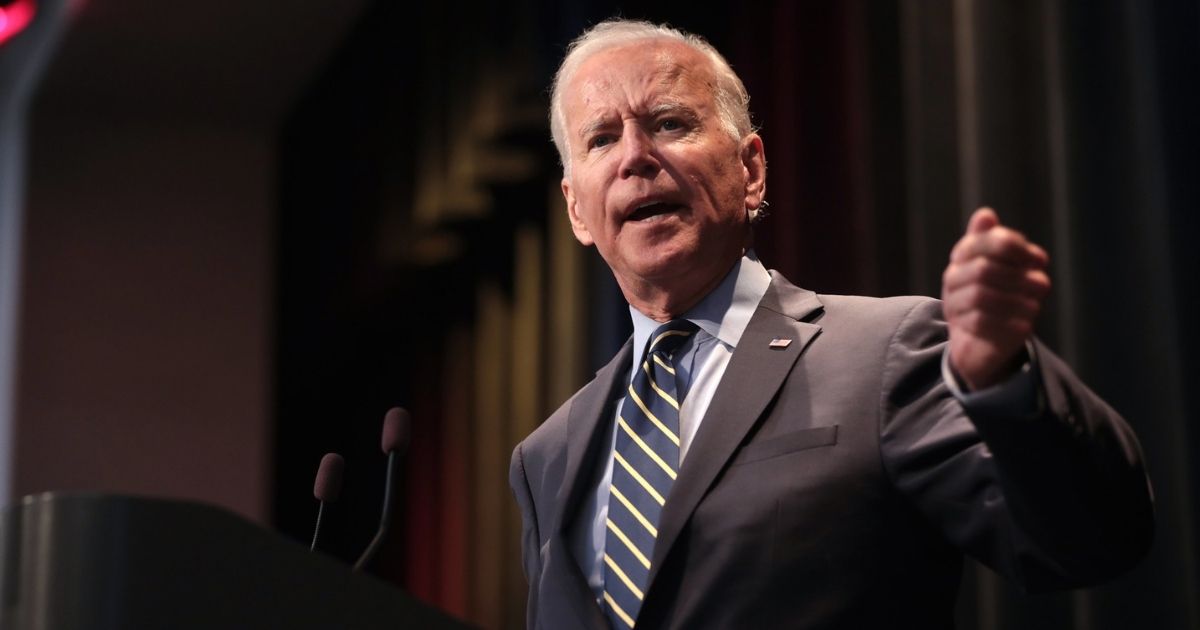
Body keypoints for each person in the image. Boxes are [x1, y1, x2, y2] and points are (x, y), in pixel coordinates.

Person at [509, 19, 1153, 630]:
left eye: (670, 123)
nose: (635, 157)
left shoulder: (884, 352)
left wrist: (1002, 386)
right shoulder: (547, 455)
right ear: (577, 211)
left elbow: (1087, 542)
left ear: (751, 170)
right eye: (601, 138)